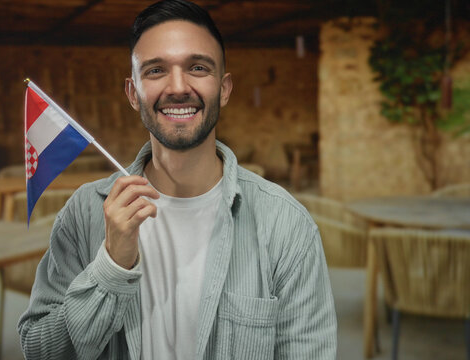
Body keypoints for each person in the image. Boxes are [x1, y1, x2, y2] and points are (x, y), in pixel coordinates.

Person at [18, 0, 337, 359]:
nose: (178, 87)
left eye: (198, 67)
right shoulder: (84, 213)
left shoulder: (286, 225)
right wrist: (110, 266)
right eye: (155, 71)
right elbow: (39, 350)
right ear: (133, 94)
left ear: (225, 88)